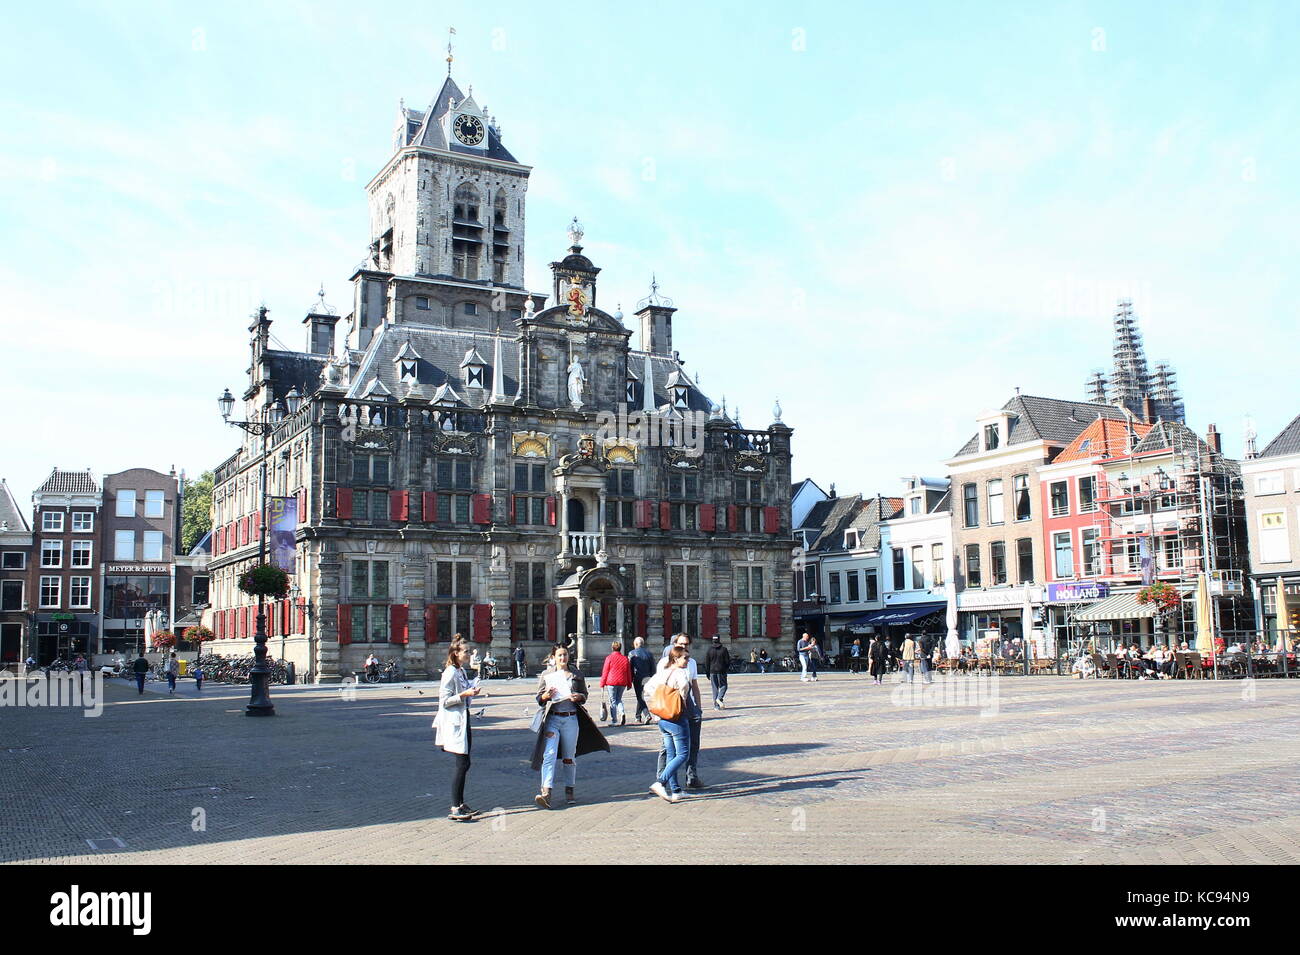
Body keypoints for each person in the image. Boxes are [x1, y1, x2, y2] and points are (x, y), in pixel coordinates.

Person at [531, 644, 609, 809]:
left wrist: (578, 696)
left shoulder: (576, 674)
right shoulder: (547, 675)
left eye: (565, 655)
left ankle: (569, 788)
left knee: (569, 756)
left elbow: (584, 696)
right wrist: (545, 696)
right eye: (559, 655)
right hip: (552, 719)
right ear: (554, 657)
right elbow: (539, 698)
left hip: (570, 719)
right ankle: (546, 792)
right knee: (549, 754)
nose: (562, 658)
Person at [433, 639, 482, 821]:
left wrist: (471, 690)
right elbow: (444, 700)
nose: (469, 654)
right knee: (461, 764)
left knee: (466, 763)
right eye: (466, 651)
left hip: (463, 718)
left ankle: (461, 803)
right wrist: (464, 694)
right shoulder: (450, 672)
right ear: (456, 653)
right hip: (454, 723)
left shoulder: (460, 671)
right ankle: (455, 807)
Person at [657, 633, 705, 788]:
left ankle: (691, 777)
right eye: (681, 644)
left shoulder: (691, 663)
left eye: (686, 644)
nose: (684, 647)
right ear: (674, 644)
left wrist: (699, 708)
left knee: (693, 744)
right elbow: (658, 688)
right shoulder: (664, 663)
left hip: (690, 709)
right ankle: (662, 778)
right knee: (668, 747)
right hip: (672, 709)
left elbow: (695, 686)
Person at [646, 646, 693, 803]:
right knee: (683, 754)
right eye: (684, 658)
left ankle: (676, 790)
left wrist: (656, 703)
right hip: (676, 717)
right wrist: (681, 697)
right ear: (676, 659)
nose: (687, 660)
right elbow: (685, 686)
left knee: (671, 754)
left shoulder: (662, 673)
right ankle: (661, 782)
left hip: (663, 718)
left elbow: (647, 687)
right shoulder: (680, 673)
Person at [599, 640, 633, 726]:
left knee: (613, 701)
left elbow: (605, 672)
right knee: (619, 699)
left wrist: (602, 683)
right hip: (622, 682)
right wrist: (629, 683)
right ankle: (622, 713)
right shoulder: (625, 659)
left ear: (612, 648)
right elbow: (628, 672)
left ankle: (614, 720)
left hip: (611, 682)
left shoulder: (609, 658)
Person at [628, 636, 657, 723]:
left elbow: (630, 668)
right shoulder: (649, 654)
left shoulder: (631, 653)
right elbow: (653, 667)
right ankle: (637, 716)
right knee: (641, 697)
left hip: (638, 678)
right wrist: (652, 677)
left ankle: (647, 714)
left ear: (636, 644)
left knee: (640, 697)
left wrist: (630, 679)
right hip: (648, 678)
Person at [704, 636, 731, 709]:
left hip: (712, 671)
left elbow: (706, 662)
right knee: (724, 686)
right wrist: (725, 669)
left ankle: (716, 706)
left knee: (715, 688)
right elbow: (728, 661)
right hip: (721, 671)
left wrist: (707, 673)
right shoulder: (724, 649)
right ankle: (719, 698)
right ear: (719, 639)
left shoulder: (709, 650)